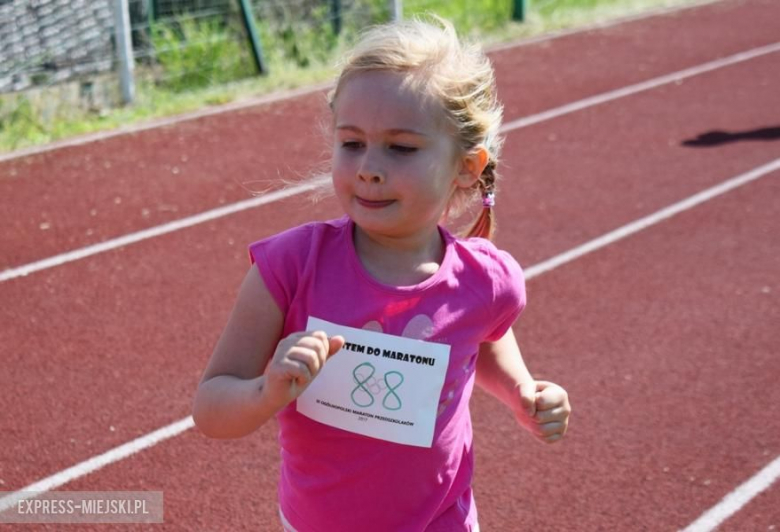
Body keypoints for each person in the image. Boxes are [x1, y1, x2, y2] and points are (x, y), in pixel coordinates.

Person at [193, 16, 571, 532]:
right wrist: (267, 391)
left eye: (401, 147)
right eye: (352, 143)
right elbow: (212, 409)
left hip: (444, 519)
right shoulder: (288, 266)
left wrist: (523, 392)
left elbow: (485, 339)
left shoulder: (488, 281)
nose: (370, 167)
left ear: (466, 166)